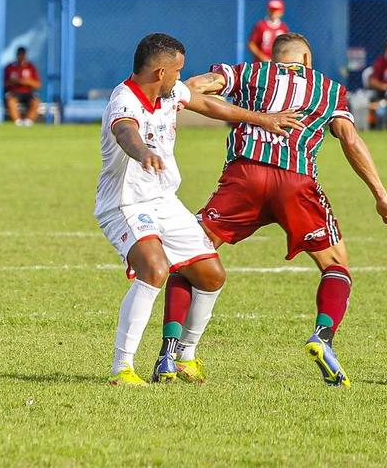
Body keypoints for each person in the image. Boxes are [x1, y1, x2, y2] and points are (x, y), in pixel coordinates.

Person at [183, 32, 387, 387]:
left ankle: (178, 354)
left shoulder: (250, 72)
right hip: (296, 182)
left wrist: (175, 92)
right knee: (335, 265)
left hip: (246, 175)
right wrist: (380, 194)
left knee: (191, 254)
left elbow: (200, 85)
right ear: (307, 61)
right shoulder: (330, 89)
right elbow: (350, 139)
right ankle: (323, 337)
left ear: (275, 58)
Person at [96, 33, 303, 386]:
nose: (182, 77)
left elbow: (208, 105)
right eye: (178, 71)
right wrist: (142, 152)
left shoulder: (170, 93)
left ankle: (184, 357)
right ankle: (122, 368)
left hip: (164, 201)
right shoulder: (124, 100)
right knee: (155, 268)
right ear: (160, 72)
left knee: (211, 275)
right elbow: (126, 133)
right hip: (125, 203)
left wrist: (260, 119)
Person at [4, 47, 42, 126]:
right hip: (14, 92)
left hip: (28, 92)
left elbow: (38, 85)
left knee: (35, 102)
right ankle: (18, 122)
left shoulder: (31, 67)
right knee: (10, 101)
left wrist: (27, 81)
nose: (21, 57)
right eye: (19, 55)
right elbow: (4, 84)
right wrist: (14, 82)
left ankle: (28, 122)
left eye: (23, 55)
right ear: (16, 55)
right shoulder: (10, 67)